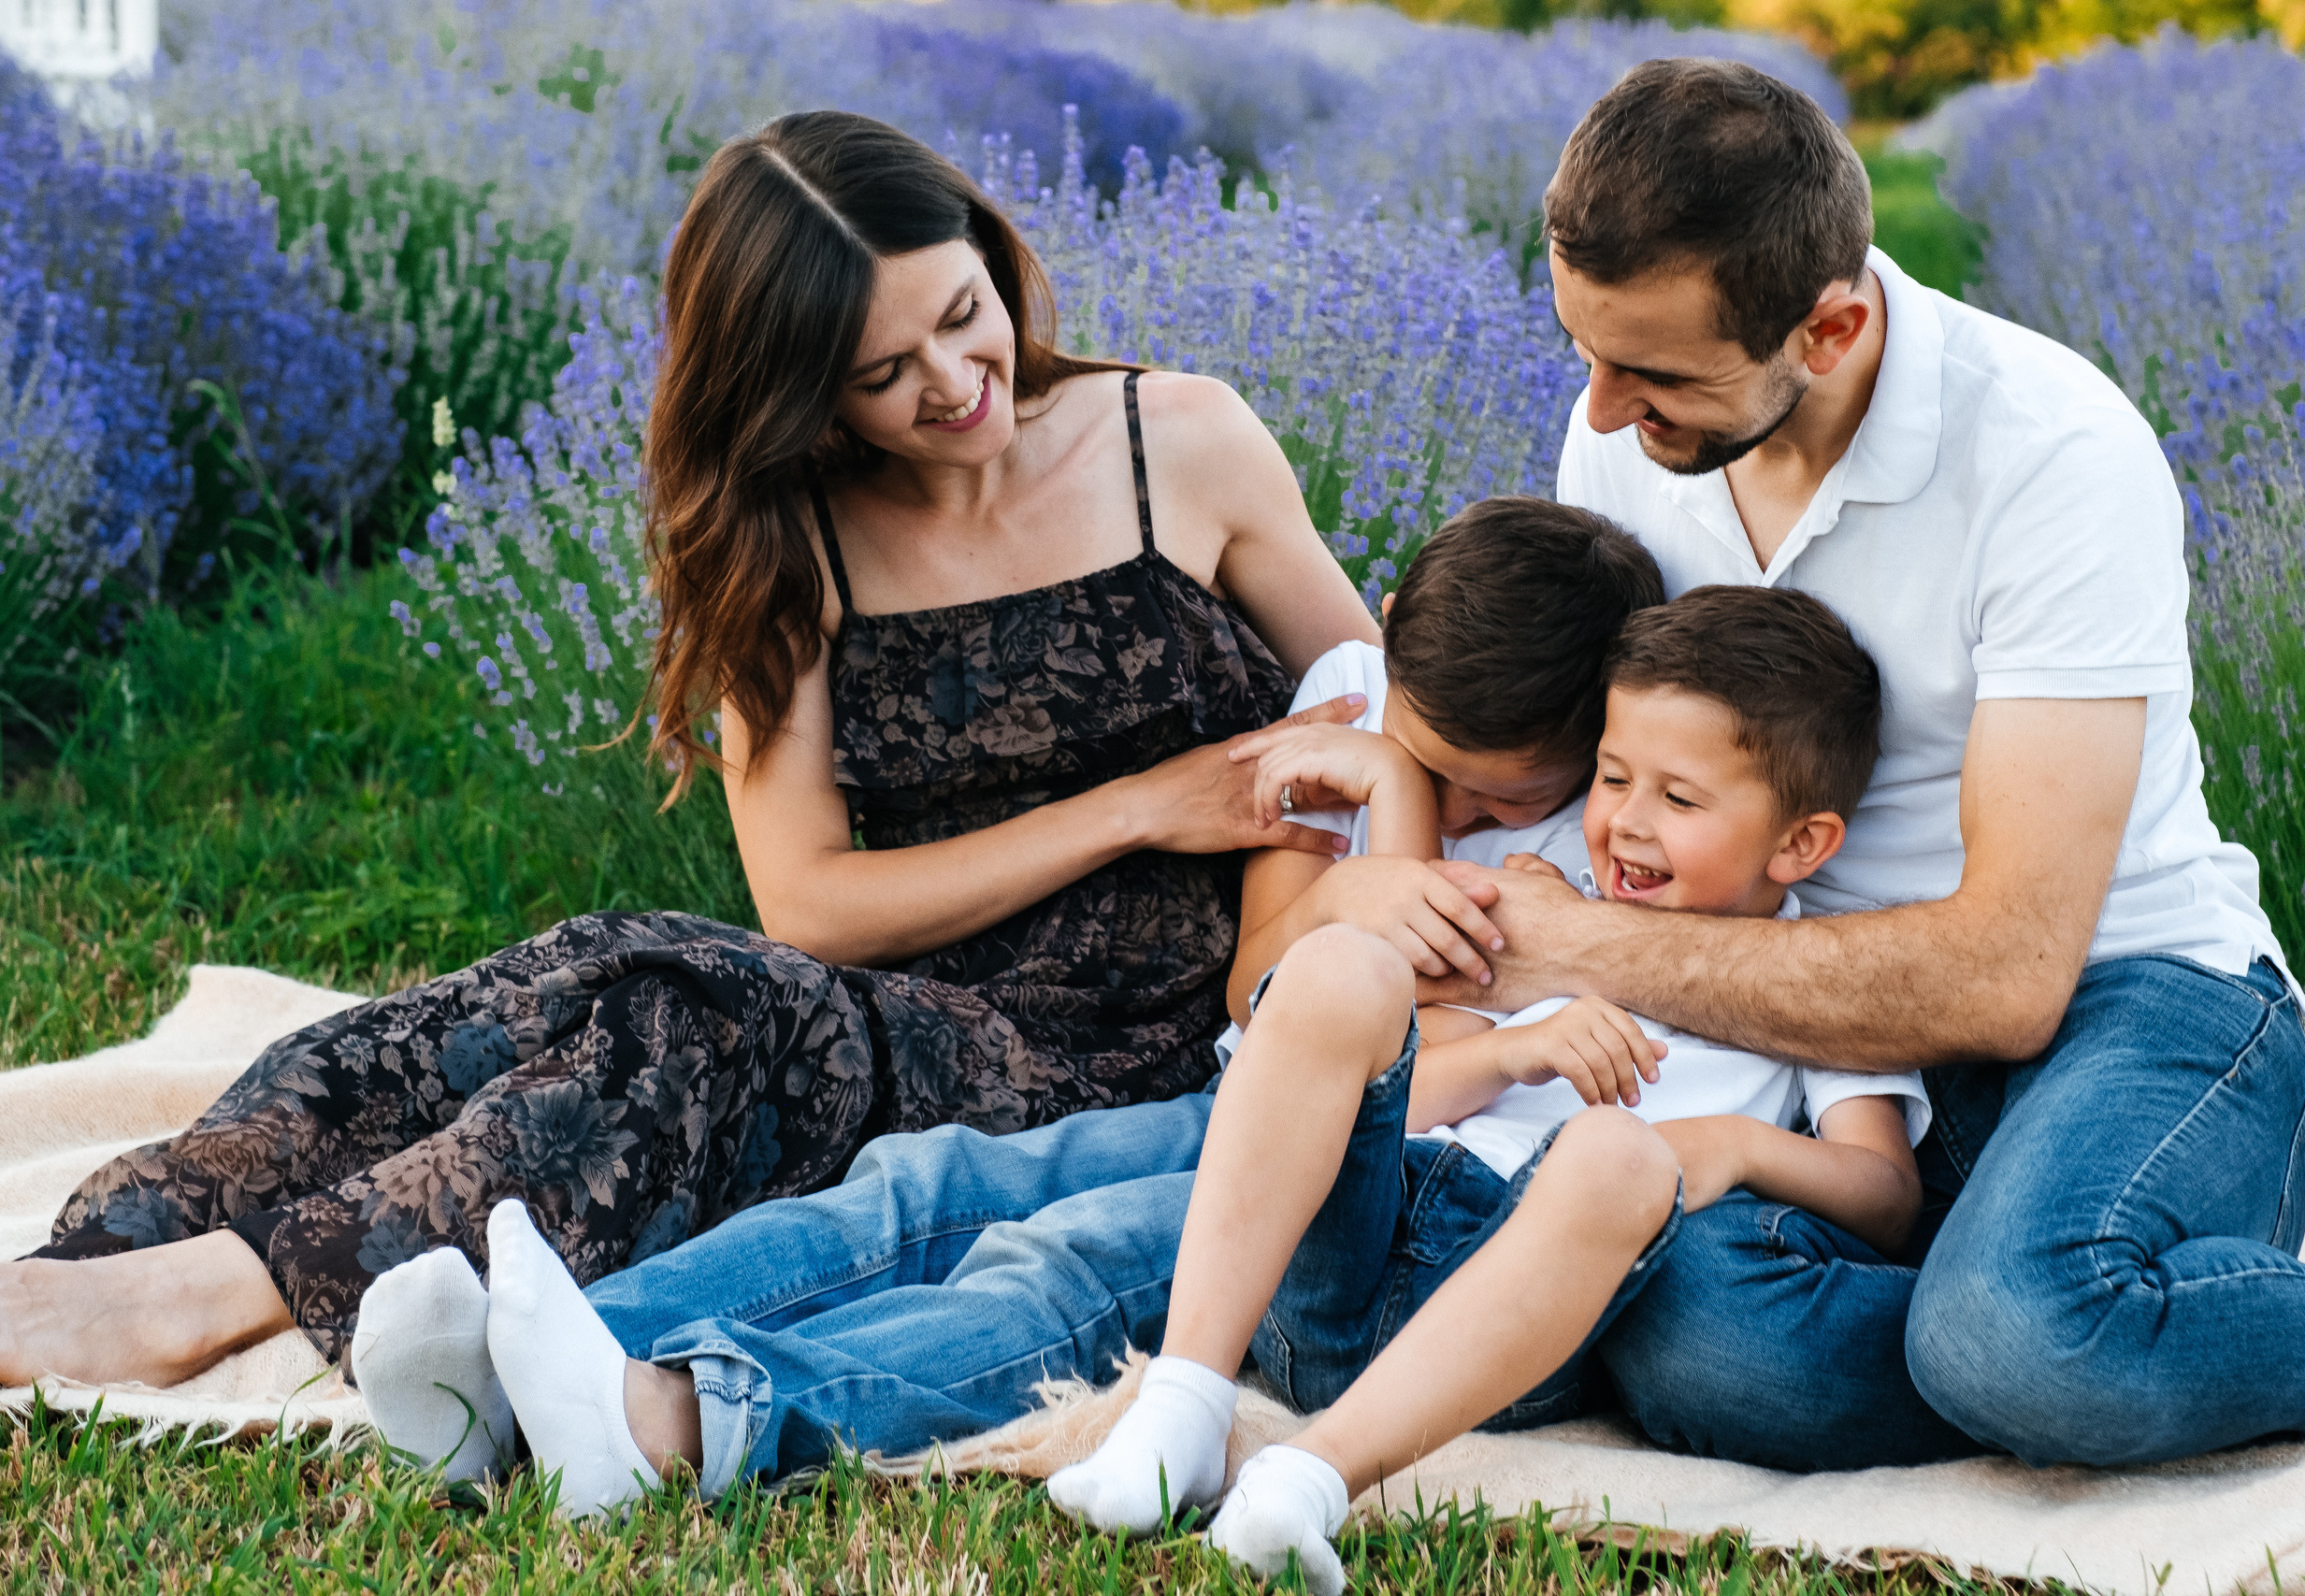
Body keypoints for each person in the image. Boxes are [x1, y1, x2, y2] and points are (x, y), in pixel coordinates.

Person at [0, 111, 1382, 1403]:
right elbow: (814, 905)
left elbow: (1375, 712)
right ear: (799, 396)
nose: (960, 385)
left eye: (967, 316)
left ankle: (211, 1297)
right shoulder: (795, 538)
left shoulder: (1182, 442)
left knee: (695, 1018)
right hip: (898, 1008)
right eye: (884, 376)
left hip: (1135, 1055)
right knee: (590, 970)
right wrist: (1143, 802)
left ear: (992, 252)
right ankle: (131, 1228)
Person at [1424, 57, 2305, 1471]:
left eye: (1656, 372)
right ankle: (2036, 1318)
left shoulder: (2052, 451)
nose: (1606, 412)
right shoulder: (1628, 436)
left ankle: (2044, 1320)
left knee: (2014, 1333)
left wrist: (1587, 942)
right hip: (1825, 1064)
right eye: (1587, 353)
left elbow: (2008, 973)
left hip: (2137, 1005)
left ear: (1833, 323)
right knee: (1702, 1340)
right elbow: (1568, 752)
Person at [345, 497, 1675, 1507]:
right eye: (1432, 768)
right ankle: (557, 1348)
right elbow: (1265, 980)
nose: (1470, 817)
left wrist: (1396, 817)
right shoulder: (1353, 712)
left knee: (1071, 1262)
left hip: (1366, 1184)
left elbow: (1402, 1074)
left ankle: (683, 1420)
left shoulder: (1598, 842)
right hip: (1245, 1099)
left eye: (1500, 797)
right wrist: (1384, 785)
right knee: (930, 1184)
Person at [1045, 583, 1929, 1593]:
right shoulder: (1556, 911)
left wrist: (1733, 1144)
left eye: (1678, 800)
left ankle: (1308, 1479)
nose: (1627, 824)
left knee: (1616, 1152)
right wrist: (1520, 1049)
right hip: (1348, 1259)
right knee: (1342, 969)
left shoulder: (1823, 984)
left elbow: (1888, 1196)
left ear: (1798, 844)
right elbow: (1392, 1097)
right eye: (1611, 777)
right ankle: (1183, 1412)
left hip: (1518, 1324)